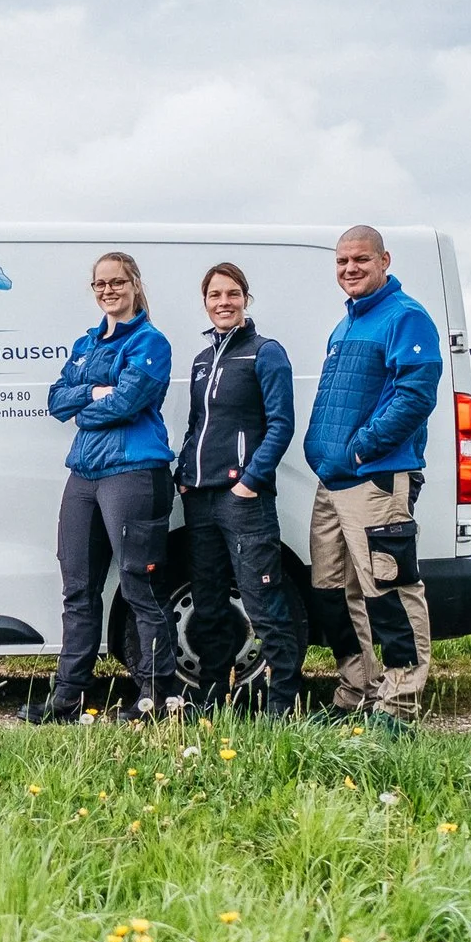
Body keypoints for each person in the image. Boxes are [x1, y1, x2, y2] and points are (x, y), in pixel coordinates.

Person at [19, 251, 180, 724]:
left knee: (139, 587)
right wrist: (94, 393)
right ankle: (67, 698)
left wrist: (88, 406)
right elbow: (55, 400)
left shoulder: (151, 341)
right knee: (78, 590)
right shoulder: (86, 343)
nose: (108, 290)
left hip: (133, 472)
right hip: (85, 475)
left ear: (134, 284)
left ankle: (156, 697)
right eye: (100, 284)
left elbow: (130, 402)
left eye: (117, 282)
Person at [303, 225, 443, 724]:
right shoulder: (344, 326)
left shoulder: (405, 318)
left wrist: (361, 448)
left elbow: (415, 395)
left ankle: (399, 704)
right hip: (333, 481)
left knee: (390, 587)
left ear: (384, 259)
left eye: (360, 259)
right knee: (332, 590)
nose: (350, 269)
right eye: (342, 262)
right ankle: (357, 691)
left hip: (376, 477)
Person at [174, 262, 308, 715]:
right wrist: (184, 477)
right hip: (201, 499)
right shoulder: (201, 360)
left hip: (244, 501)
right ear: (205, 302)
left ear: (246, 299)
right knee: (209, 602)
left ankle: (282, 705)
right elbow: (198, 425)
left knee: (263, 602)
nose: (223, 302)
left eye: (232, 294)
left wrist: (250, 482)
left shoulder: (266, 352)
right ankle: (210, 698)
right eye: (215, 295)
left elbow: (281, 424)